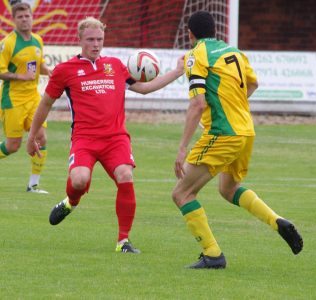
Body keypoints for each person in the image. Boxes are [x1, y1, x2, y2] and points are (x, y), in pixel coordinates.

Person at [26, 17, 184, 253]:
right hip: (84, 139)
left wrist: (178, 71)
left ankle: (123, 241)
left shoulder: (116, 65)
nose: (96, 44)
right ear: (79, 40)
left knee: (125, 175)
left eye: (99, 39)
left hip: (115, 139)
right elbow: (45, 103)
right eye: (90, 39)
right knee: (79, 181)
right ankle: (71, 202)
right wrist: (32, 136)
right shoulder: (64, 71)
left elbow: (144, 88)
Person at [172, 11, 303, 269]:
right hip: (246, 132)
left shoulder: (196, 55)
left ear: (190, 34)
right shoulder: (236, 53)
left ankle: (212, 254)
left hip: (223, 133)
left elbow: (197, 104)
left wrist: (182, 147)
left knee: (182, 193)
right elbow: (253, 85)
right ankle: (277, 221)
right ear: (215, 31)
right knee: (228, 189)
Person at [0, 1, 51, 193]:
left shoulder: (38, 39)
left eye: (27, 16)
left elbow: (40, 63)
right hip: (12, 100)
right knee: (13, 145)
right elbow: (1, 71)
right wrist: (21, 76)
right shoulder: (7, 43)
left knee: (41, 137)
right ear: (13, 20)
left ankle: (33, 185)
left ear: (32, 17)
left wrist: (48, 70)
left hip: (33, 98)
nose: (24, 19)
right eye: (20, 17)